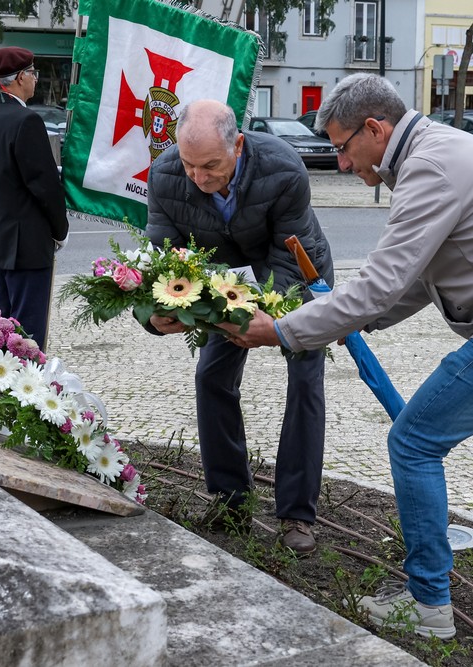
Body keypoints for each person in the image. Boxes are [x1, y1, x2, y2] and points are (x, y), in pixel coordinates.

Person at [220, 74, 473, 638]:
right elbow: (415, 279)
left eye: (341, 147)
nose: (340, 163)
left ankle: (428, 602)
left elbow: (382, 282)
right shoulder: (444, 149)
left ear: (375, 129)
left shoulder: (430, 168)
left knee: (412, 441)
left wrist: (284, 331)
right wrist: (352, 320)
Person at [145, 99, 333, 554]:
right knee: (212, 375)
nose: (200, 179)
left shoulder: (285, 170)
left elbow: (289, 256)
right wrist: (155, 315)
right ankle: (230, 498)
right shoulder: (165, 175)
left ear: (239, 145)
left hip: (298, 272)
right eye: (190, 165)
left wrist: (269, 320)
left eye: (211, 166)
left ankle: (297, 514)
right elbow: (163, 262)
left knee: (305, 379)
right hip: (226, 283)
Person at [0, 46, 68, 350]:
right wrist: (60, 229)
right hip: (27, 244)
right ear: (16, 79)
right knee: (26, 337)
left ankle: (2, 390)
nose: (36, 80)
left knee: (2, 330)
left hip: (2, 240)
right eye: (32, 73)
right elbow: (43, 185)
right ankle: (27, 392)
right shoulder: (25, 121)